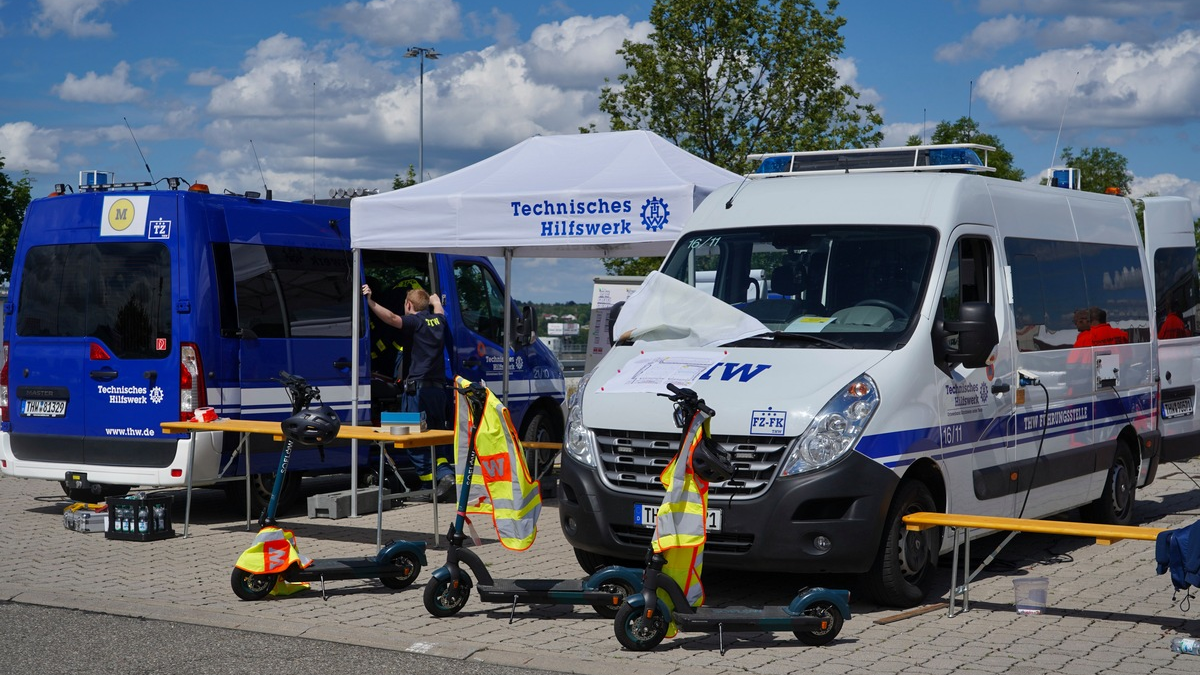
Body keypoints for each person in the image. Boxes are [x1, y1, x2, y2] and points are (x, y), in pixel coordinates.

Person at [362, 282, 455, 500]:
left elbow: (391, 319)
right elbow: (439, 309)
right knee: (433, 437)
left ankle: (430, 484)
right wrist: (435, 301)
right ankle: (445, 474)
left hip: (417, 392)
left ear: (408, 304)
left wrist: (370, 301)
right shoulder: (439, 321)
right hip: (438, 393)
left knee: (408, 438)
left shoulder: (415, 322)